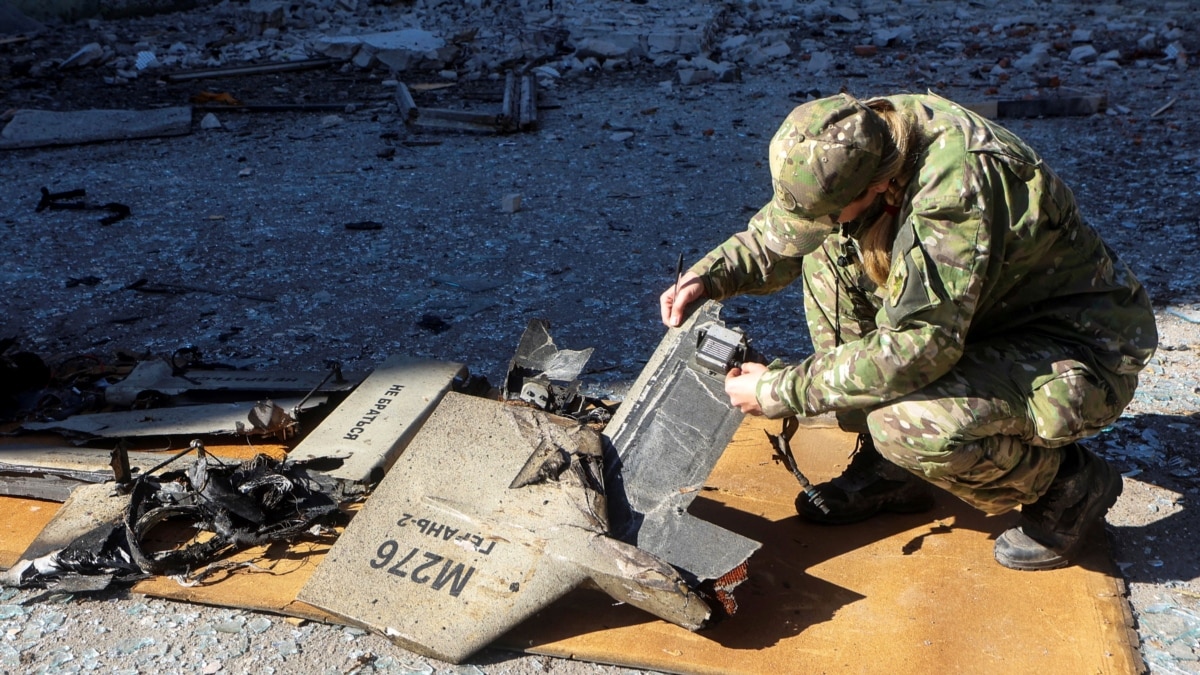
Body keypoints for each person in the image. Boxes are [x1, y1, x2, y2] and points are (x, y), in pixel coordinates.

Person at [659, 92, 1157, 571]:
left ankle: (1067, 487)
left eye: (836, 208)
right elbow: (791, 227)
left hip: (1077, 352)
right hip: (982, 322)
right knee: (829, 251)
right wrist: (710, 276)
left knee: (907, 423)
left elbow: (919, 348)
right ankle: (891, 469)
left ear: (877, 187)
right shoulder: (862, 137)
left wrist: (780, 389)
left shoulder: (954, 191)